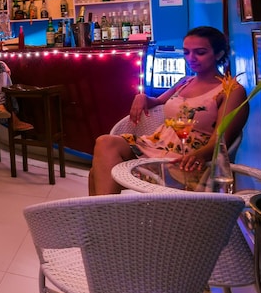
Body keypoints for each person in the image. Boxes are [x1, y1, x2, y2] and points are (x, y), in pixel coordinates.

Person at [88, 26, 248, 195]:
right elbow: (158, 101)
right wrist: (142, 97)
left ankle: (107, 210)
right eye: (186, 52)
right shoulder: (185, 82)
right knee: (105, 142)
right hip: (155, 145)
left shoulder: (231, 90)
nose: (191, 58)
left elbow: (220, 141)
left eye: (200, 52)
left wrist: (200, 155)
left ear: (219, 54)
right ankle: (108, 210)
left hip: (187, 158)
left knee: (96, 174)